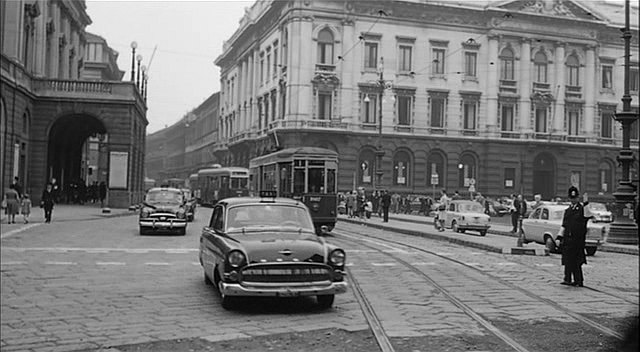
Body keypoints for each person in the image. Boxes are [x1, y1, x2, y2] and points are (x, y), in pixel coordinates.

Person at [557, 186, 593, 287]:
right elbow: (564, 225)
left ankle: (578, 280)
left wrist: (586, 203)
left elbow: (588, 215)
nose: (573, 200)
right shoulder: (568, 211)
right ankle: (567, 278)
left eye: (575, 198)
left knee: (577, 262)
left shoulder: (582, 209)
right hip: (568, 240)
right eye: (571, 198)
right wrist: (559, 237)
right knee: (568, 260)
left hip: (578, 240)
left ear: (578, 198)